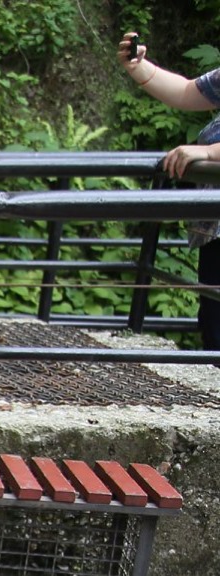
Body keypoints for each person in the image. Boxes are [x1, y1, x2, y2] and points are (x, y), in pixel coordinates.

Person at [120, 31, 220, 355]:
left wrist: (209, 152)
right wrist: (140, 68)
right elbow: (187, 91)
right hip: (214, 227)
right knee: (213, 324)